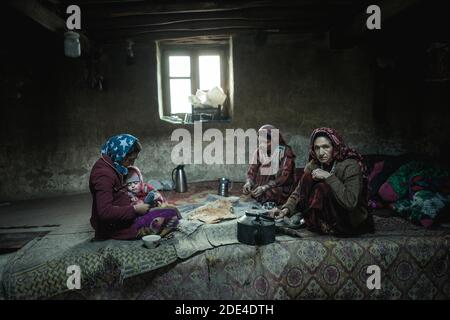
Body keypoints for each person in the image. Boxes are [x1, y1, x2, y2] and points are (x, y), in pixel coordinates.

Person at [271, 127, 374, 236]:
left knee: (322, 188)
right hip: (323, 217)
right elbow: (298, 192)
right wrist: (285, 210)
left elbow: (350, 202)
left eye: (326, 147)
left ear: (335, 147)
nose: (321, 153)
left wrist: (329, 177)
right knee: (307, 177)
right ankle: (313, 220)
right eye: (317, 148)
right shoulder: (314, 164)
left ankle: (326, 224)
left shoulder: (350, 165)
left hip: (347, 217)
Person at [89, 134, 181, 240]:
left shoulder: (112, 165)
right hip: (115, 226)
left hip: (126, 213)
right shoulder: (103, 175)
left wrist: (140, 201)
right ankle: (138, 230)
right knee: (171, 215)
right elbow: (104, 212)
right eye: (130, 160)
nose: (131, 164)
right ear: (120, 155)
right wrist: (135, 210)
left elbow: (121, 193)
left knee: (167, 208)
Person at [242, 124, 296, 205]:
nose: (262, 145)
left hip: (279, 188)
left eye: (266, 142)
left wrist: (265, 187)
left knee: (269, 195)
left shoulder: (285, 152)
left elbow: (284, 177)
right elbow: (252, 170)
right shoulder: (259, 151)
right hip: (260, 187)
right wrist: (249, 182)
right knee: (250, 193)